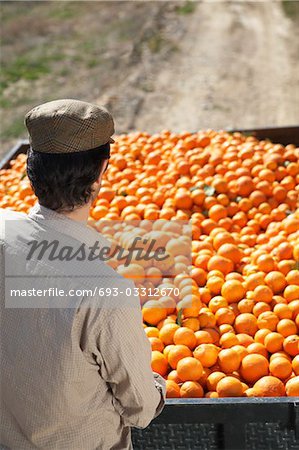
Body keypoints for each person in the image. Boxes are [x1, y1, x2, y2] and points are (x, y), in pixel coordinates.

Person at [0, 99, 166, 450]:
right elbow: (141, 410)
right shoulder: (104, 292)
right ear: (102, 169)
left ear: (30, 168)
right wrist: (155, 382)